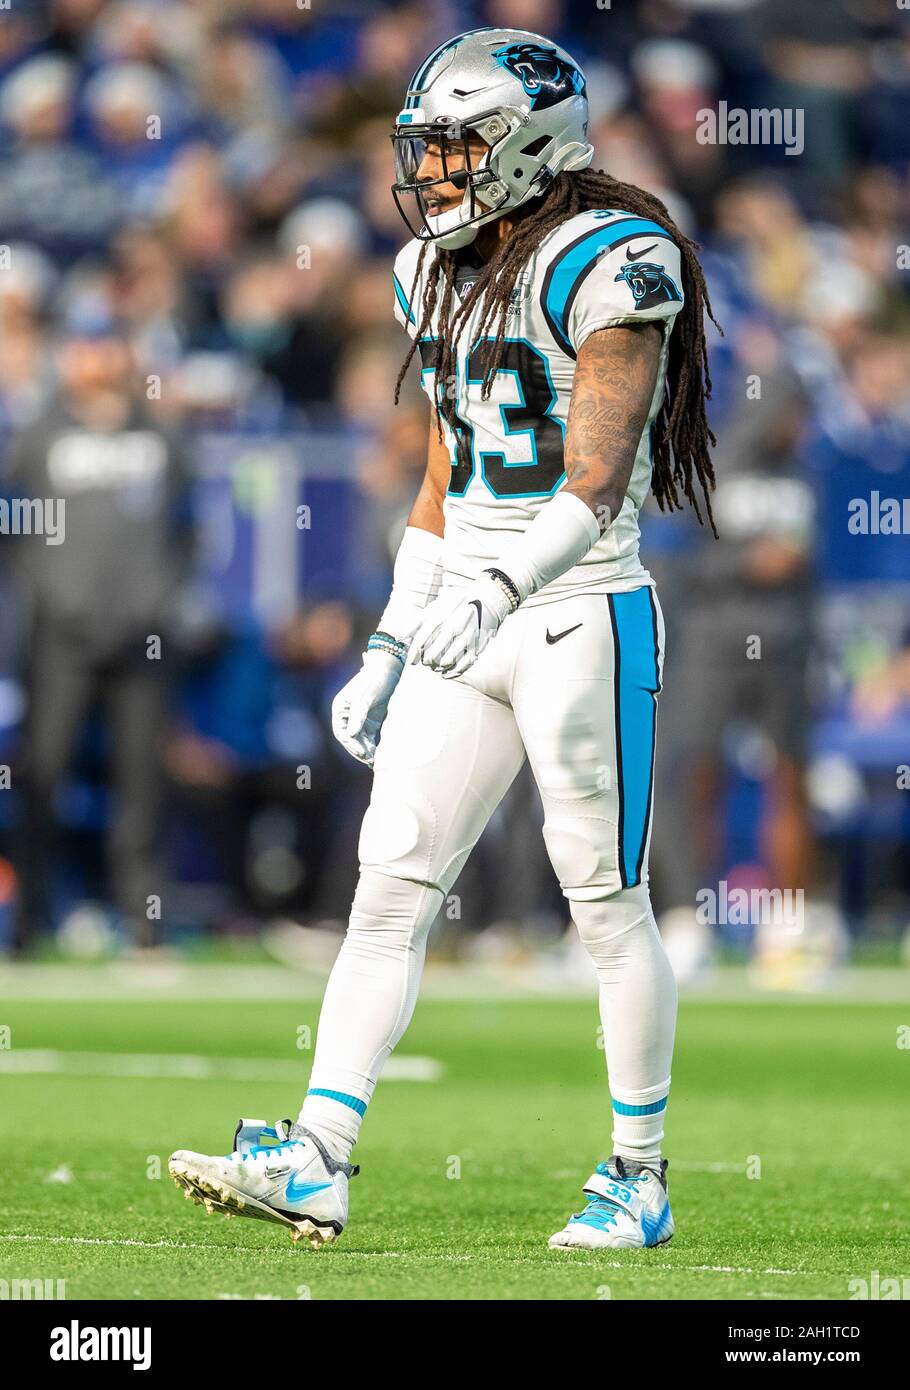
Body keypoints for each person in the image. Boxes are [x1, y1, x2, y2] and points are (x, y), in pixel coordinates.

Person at [169, 26, 718, 1253]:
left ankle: (637, 1171)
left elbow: (595, 475)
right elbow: (443, 473)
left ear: (528, 144)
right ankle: (319, 1153)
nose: (435, 169)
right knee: (390, 882)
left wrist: (499, 585)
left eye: (457, 144)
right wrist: (391, 635)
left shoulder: (613, 257)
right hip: (464, 606)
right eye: (428, 146)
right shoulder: (433, 266)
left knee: (604, 900)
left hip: (582, 608)